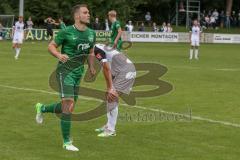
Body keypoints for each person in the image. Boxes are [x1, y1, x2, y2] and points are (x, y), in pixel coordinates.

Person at [35, 4, 96, 151]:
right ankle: (67, 142)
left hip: (78, 73)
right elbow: (51, 46)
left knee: (67, 107)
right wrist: (58, 54)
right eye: (85, 12)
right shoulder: (66, 31)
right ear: (77, 16)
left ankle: (42, 108)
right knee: (68, 105)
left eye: (88, 12)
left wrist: (92, 67)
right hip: (65, 71)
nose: (88, 15)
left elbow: (91, 52)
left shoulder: (91, 33)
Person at [94, 43, 136, 137]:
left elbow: (106, 68)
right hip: (123, 70)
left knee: (111, 97)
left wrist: (110, 87)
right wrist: (110, 86)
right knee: (109, 97)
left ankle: (111, 130)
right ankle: (109, 125)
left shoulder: (96, 50)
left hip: (126, 71)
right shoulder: (99, 47)